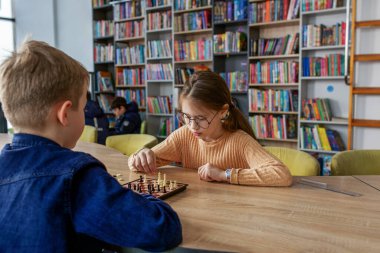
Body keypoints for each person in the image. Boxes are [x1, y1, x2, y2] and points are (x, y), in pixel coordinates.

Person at [0, 40, 182, 252]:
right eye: (84, 109)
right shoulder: (79, 178)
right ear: (65, 114)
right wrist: (137, 196)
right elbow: (163, 229)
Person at [129, 71, 293, 186]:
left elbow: (281, 175)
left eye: (201, 118)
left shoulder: (240, 141)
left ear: (223, 112)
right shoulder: (184, 136)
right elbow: (136, 164)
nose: (192, 126)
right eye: (186, 116)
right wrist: (140, 155)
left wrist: (224, 175)